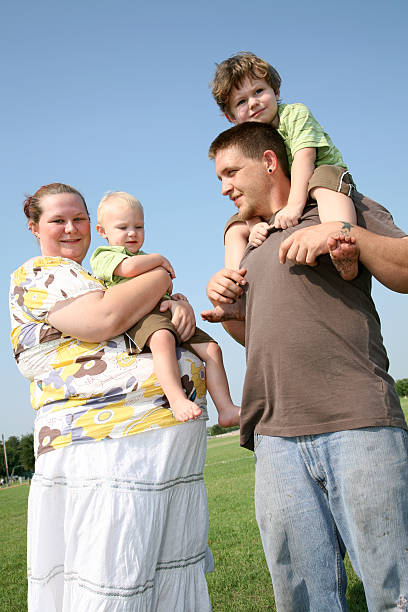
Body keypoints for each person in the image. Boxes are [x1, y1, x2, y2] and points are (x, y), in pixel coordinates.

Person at [203, 122, 408, 610]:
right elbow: (253, 336)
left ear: (270, 161)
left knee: (392, 590)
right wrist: (229, 307)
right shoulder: (248, 243)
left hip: (356, 421)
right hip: (274, 437)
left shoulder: (337, 202)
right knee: (300, 599)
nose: (225, 187)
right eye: (219, 179)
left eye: (231, 172)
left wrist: (343, 232)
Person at [9, 183, 213, 611]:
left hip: (158, 442)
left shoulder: (96, 275)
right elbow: (105, 318)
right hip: (102, 448)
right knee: (112, 573)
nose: (70, 229)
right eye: (57, 220)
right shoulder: (39, 272)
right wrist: (161, 275)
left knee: (162, 574)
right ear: (34, 228)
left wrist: (177, 304)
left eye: (78, 219)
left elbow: (135, 309)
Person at [90, 191, 239, 426]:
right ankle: (177, 399)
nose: (132, 233)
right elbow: (127, 269)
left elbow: (165, 284)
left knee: (212, 349)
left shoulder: (147, 258)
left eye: (139, 226)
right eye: (123, 227)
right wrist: (159, 259)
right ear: (102, 231)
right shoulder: (104, 255)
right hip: (141, 316)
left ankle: (226, 408)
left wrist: (176, 298)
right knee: (161, 340)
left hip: (166, 311)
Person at [211, 51, 359, 280]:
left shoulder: (295, 114)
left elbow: (304, 157)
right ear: (232, 117)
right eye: (241, 101)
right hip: (287, 191)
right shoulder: (248, 142)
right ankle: (235, 286)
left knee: (322, 182)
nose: (253, 103)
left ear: (275, 90)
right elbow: (247, 190)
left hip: (321, 175)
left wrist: (294, 206)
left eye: (259, 91)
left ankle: (343, 242)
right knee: (234, 226)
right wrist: (252, 224)